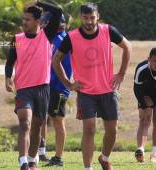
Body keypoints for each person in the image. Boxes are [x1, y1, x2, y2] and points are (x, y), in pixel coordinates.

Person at [52, 2, 131, 170]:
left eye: (92, 17)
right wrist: (69, 83)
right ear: (81, 17)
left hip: (108, 89)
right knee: (89, 128)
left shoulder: (108, 31)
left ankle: (104, 157)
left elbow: (127, 47)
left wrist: (121, 74)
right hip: (86, 92)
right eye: (85, 18)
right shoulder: (71, 37)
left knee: (112, 130)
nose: (89, 21)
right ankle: (88, 168)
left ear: (98, 16)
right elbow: (55, 60)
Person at [5, 1, 62, 169]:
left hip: (43, 89)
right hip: (23, 89)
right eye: (23, 19)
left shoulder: (47, 35)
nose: (24, 22)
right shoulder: (16, 39)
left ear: (38, 21)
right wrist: (8, 77)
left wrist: (38, 2)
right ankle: (23, 161)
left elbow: (58, 11)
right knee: (25, 123)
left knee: (36, 128)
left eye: (28, 19)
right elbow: (10, 61)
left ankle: (31, 159)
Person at [42, 13, 71, 167]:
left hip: (58, 87)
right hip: (49, 86)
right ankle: (41, 152)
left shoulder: (62, 39)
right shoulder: (53, 38)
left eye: (46, 22)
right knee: (44, 119)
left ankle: (58, 158)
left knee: (58, 122)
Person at [133, 47, 156, 163]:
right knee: (145, 119)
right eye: (155, 61)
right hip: (144, 93)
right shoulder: (141, 69)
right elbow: (136, 89)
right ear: (149, 59)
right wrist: (144, 104)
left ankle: (155, 153)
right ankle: (140, 150)